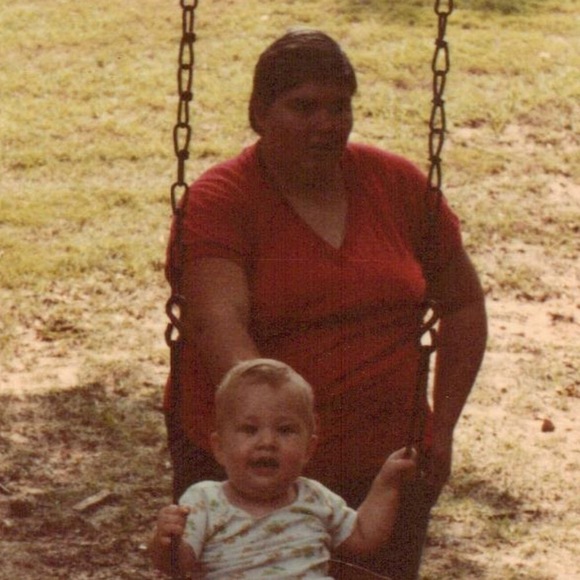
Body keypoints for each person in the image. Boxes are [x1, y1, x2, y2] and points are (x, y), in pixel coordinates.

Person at [164, 29, 487, 579]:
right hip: (257, 467)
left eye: (340, 107)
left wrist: (444, 427)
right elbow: (221, 326)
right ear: (259, 113)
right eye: (303, 107)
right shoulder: (222, 201)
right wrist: (283, 444)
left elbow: (462, 305)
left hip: (386, 463)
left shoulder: (396, 184)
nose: (326, 124)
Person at [151, 359, 416, 578]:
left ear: (308, 449)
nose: (267, 442)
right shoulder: (204, 501)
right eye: (250, 430)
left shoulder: (315, 498)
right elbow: (178, 566)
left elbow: (363, 537)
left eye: (285, 430)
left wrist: (386, 484)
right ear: (220, 448)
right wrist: (166, 541)